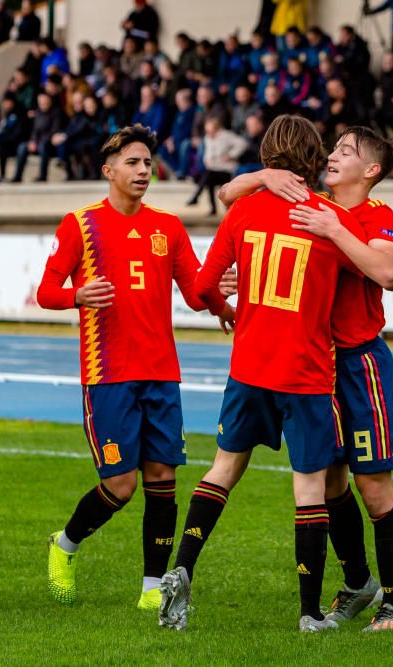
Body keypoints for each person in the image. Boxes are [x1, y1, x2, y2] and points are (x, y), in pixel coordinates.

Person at [157, 115, 368, 633]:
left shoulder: (244, 212)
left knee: (222, 471)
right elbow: (371, 276)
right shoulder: (328, 218)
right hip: (305, 372)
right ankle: (308, 612)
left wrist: (225, 308)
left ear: (269, 155)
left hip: (249, 367)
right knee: (309, 488)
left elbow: (204, 287)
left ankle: (182, 567)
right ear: (316, 159)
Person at [215, 126, 393, 633]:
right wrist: (265, 175)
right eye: (334, 147)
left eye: (347, 151)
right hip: (312, 362)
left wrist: (334, 230)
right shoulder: (310, 200)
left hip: (359, 364)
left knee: (372, 486)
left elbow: (388, 272)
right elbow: (228, 194)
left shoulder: (374, 216)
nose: (333, 154)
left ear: (371, 170)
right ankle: (358, 582)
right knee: (328, 481)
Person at [36, 125, 232, 612]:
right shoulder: (80, 224)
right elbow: (46, 292)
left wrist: (221, 300)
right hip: (108, 375)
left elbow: (194, 292)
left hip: (161, 372)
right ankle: (64, 545)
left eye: (148, 163)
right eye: (133, 163)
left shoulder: (169, 227)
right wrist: (75, 295)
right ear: (109, 171)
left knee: (163, 479)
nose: (144, 171)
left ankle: (152, 588)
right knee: (120, 486)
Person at [186, 117, 249, 216]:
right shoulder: (207, 138)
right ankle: (212, 208)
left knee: (208, 175)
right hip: (213, 170)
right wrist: (206, 160)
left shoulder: (226, 135)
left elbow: (243, 144)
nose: (208, 131)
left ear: (216, 128)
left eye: (210, 129)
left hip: (227, 170)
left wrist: (231, 155)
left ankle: (196, 197)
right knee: (208, 176)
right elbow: (207, 154)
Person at [12, 91, 66, 182]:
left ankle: (42, 176)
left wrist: (38, 142)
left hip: (50, 143)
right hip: (37, 142)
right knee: (22, 147)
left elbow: (54, 131)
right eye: (40, 101)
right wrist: (32, 141)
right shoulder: (37, 113)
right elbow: (34, 130)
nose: (43, 103)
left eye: (45, 101)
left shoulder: (56, 112)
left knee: (43, 146)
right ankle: (17, 176)